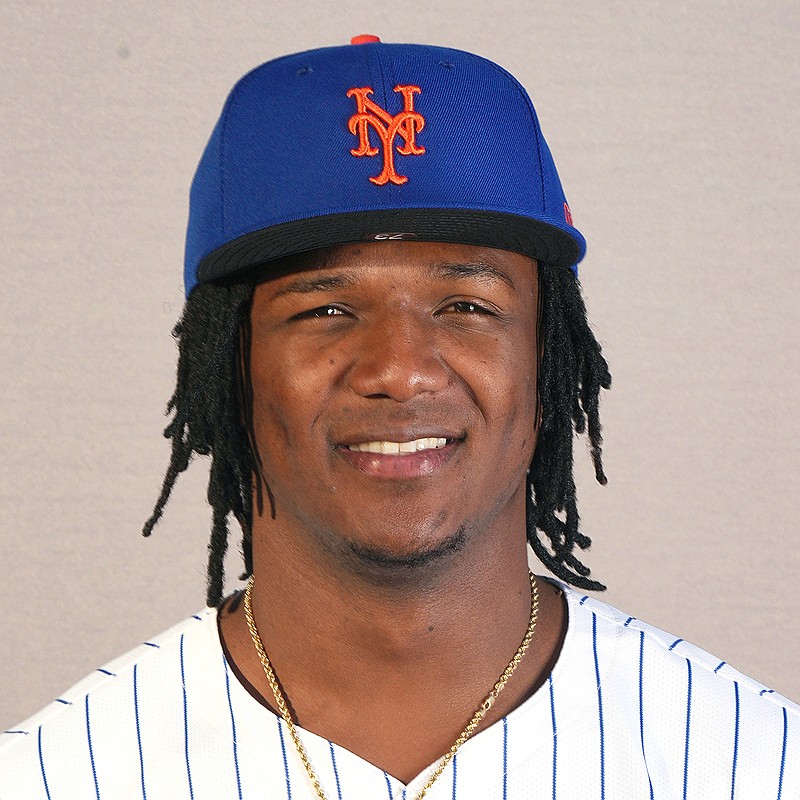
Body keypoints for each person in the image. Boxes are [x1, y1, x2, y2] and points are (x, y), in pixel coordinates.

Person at [1, 35, 797, 800]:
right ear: (227, 368)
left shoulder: (756, 764)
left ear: (546, 360)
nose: (400, 369)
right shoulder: (52, 776)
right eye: (326, 309)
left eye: (467, 304)